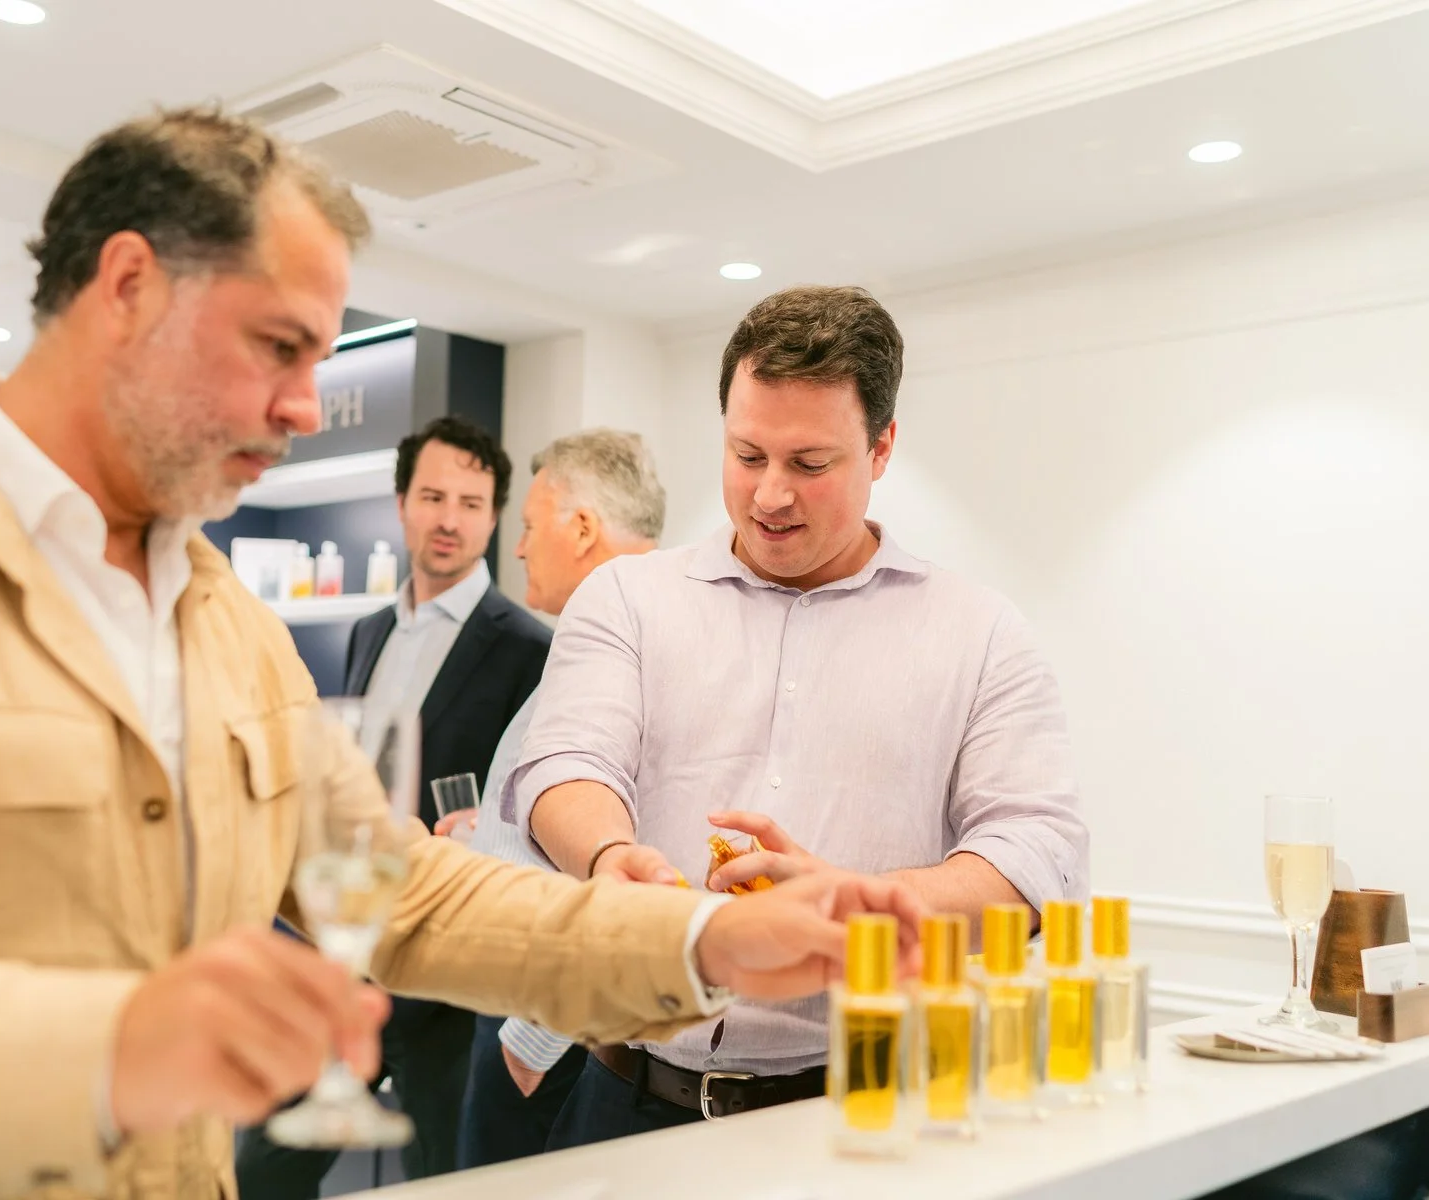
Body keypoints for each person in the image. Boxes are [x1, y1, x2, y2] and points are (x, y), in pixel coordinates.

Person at [0, 110, 923, 1200]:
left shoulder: (227, 627)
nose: (309, 406)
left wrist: (701, 938)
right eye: (279, 346)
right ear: (127, 286)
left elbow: (406, 894)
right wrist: (100, 1048)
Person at [512, 284, 1089, 1149]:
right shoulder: (628, 597)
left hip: (860, 1112)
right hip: (623, 1106)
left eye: (810, 464)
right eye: (747, 455)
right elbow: (564, 762)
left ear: (882, 446)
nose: (770, 496)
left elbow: (1035, 852)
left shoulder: (979, 632)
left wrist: (863, 904)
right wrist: (605, 853)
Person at [236, 416, 549, 1194]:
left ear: (494, 515)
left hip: (443, 969)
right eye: (434, 496)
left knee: (440, 1181)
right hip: (342, 957)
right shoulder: (368, 630)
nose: (450, 518)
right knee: (265, 1167)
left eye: (473, 503)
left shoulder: (527, 647)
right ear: (402, 501)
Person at [454, 429, 665, 1170]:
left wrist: (534, 1035)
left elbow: (628, 843)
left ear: (581, 529)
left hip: (543, 1028)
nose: (517, 550)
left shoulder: (640, 644)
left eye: (527, 526)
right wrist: (485, 833)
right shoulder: (596, 639)